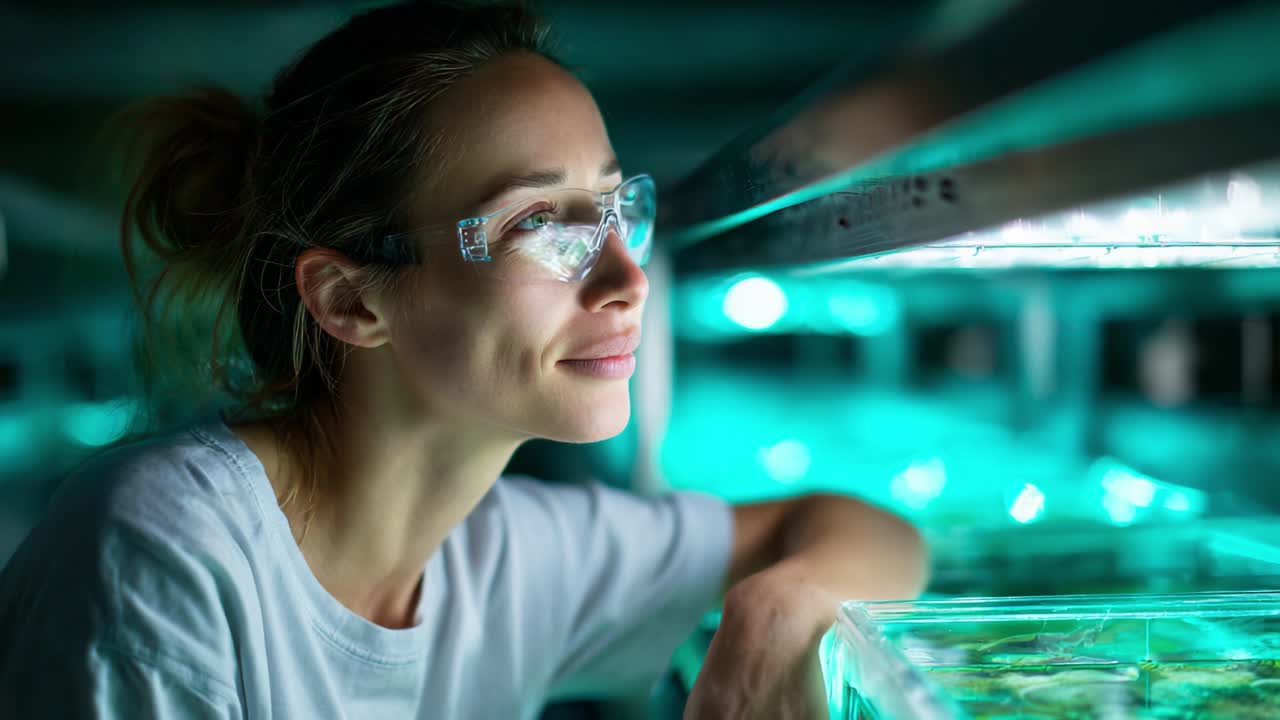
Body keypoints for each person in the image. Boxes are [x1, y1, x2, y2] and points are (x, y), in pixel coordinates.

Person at [0, 2, 927, 718]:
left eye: (614, 209)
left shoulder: (505, 555)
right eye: (539, 224)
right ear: (351, 300)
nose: (625, 278)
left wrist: (785, 605)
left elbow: (872, 534)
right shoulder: (163, 547)